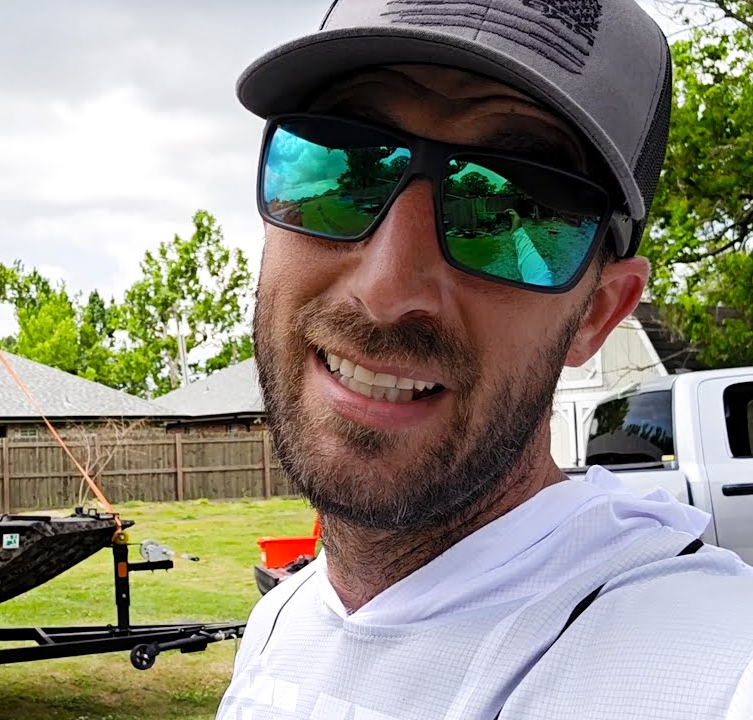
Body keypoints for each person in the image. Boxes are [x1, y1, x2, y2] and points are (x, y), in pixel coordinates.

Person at [219, 1, 753, 718]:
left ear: (597, 313)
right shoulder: (279, 625)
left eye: (512, 213)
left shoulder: (711, 668)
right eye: (346, 165)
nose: (386, 290)